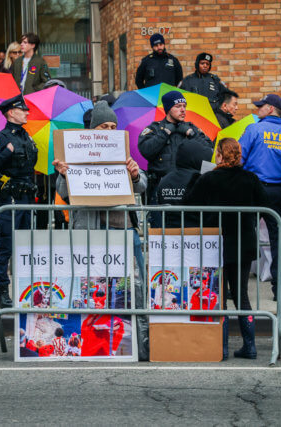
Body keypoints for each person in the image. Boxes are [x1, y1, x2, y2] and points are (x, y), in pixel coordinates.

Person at [53, 101, 149, 360]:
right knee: (92, 286)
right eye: (104, 126)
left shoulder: (123, 152)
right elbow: (63, 192)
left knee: (133, 286)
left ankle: (139, 344)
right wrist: (63, 173)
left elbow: (142, 186)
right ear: (93, 130)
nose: (109, 130)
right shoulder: (75, 154)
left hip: (122, 228)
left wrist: (135, 174)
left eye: (113, 126)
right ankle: (89, 341)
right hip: (89, 229)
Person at [184, 138, 268, 360]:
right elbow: (265, 202)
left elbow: (189, 203)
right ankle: (249, 346)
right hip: (243, 241)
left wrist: (195, 179)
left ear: (220, 155)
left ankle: (220, 347)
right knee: (241, 295)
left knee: (218, 294)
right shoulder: (250, 178)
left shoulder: (208, 179)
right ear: (239, 155)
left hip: (216, 242)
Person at [239, 94, 281, 301]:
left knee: (244, 238)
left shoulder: (254, 129)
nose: (257, 110)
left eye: (261, 107)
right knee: (278, 241)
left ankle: (238, 288)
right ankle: (280, 289)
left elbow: (238, 157)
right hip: (278, 192)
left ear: (271, 109)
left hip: (253, 189)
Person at [0, 95, 38, 308]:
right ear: (11, 112)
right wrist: (6, 152)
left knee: (26, 246)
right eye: (22, 110)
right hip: (9, 199)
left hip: (26, 197)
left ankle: (26, 289)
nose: (26, 112)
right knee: (7, 245)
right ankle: (3, 291)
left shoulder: (27, 137)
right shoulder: (1, 138)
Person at [138, 90, 213, 226]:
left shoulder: (191, 128)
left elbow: (209, 152)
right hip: (162, 189)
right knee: (160, 231)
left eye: (184, 106)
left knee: (191, 230)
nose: (183, 110)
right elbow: (146, 150)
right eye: (178, 107)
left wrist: (191, 134)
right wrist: (165, 133)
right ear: (168, 109)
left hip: (190, 189)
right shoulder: (155, 129)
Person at [156, 139, 213, 228]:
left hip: (171, 234)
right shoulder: (200, 178)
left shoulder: (165, 180)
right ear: (196, 156)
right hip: (198, 234)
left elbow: (161, 207)